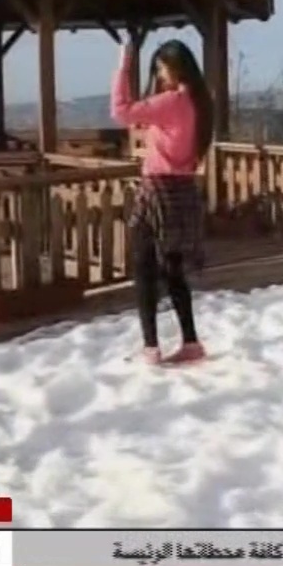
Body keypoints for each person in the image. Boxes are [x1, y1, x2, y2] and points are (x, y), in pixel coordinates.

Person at [111, 36, 214, 365]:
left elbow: (121, 112)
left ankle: (150, 346)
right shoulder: (201, 102)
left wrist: (124, 65)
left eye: (161, 68)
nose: (159, 75)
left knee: (143, 266)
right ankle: (190, 341)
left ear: (174, 68)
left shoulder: (172, 101)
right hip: (183, 191)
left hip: (157, 191)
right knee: (173, 270)